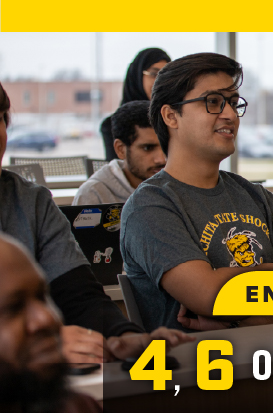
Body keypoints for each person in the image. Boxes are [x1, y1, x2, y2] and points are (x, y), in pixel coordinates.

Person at [120, 53, 273, 332]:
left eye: (233, 102)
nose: (229, 114)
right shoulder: (151, 206)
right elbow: (211, 297)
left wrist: (239, 318)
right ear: (171, 116)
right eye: (213, 102)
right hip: (197, 359)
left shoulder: (256, 196)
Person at [0, 82, 191, 368]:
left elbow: (79, 295)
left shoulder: (31, 201)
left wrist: (123, 336)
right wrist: (34, 341)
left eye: (0, 119)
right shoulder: (94, 191)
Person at [0, 234, 192, 413]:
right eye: (13, 307)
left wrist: (122, 336)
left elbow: (80, 295)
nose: (47, 318)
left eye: (43, 297)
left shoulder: (78, 406)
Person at [73, 101, 165, 205]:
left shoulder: (174, 184)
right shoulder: (94, 194)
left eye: (165, 147)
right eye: (147, 148)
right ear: (120, 149)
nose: (162, 159)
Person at [100, 48, 170, 161]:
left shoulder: (172, 120)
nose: (160, 81)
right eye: (153, 74)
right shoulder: (112, 125)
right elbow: (119, 167)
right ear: (136, 77)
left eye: (165, 75)